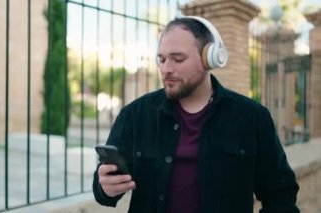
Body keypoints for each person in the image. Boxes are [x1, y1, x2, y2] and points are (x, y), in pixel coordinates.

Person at [92, 16, 300, 213]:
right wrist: (105, 187)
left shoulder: (252, 118)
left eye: (178, 58)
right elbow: (104, 191)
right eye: (162, 59)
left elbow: (281, 195)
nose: (166, 69)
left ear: (209, 58)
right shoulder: (135, 115)